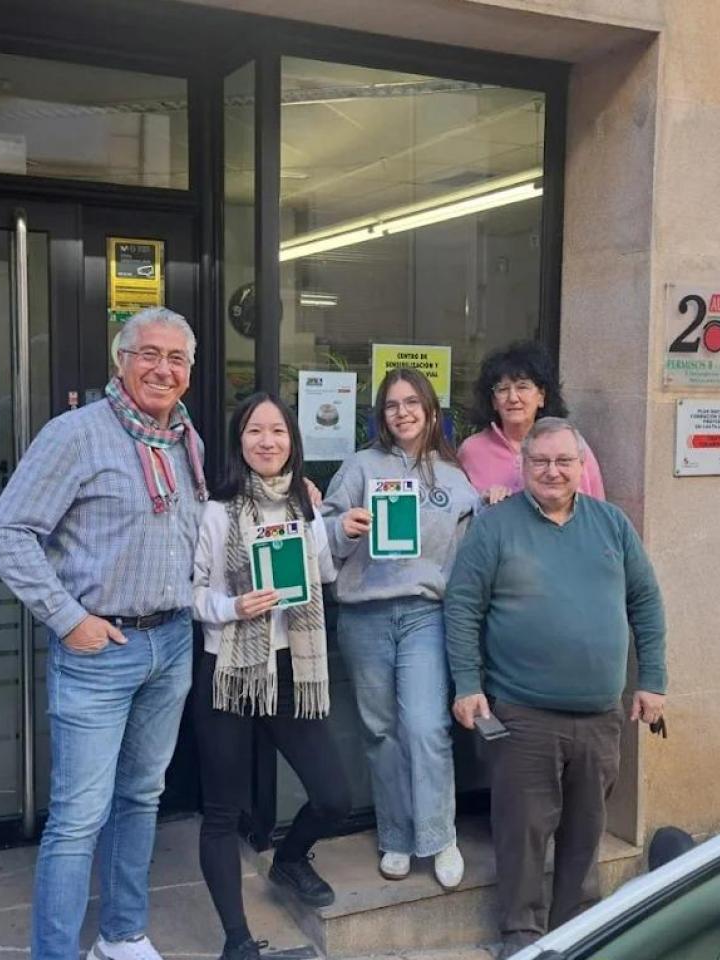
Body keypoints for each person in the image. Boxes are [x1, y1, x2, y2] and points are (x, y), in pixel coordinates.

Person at [0, 307, 206, 960]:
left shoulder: (186, 442)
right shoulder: (76, 435)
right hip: (98, 654)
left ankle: (122, 934)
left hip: (170, 644)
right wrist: (67, 617)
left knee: (141, 798)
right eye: (149, 354)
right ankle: (54, 953)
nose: (162, 369)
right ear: (121, 360)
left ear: (189, 375)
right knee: (79, 819)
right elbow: (7, 530)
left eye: (176, 359)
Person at [443, 417, 666, 960]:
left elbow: (647, 603)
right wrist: (468, 684)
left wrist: (653, 681)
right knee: (522, 830)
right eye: (540, 461)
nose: (552, 471)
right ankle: (521, 936)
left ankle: (576, 929)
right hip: (522, 713)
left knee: (586, 830)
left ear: (581, 466)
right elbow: (463, 607)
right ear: (523, 467)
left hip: (600, 713)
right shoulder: (494, 527)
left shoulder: (612, 525)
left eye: (564, 461)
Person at [190, 392, 351, 960]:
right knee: (222, 812)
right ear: (239, 442)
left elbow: (325, 573)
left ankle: (287, 859)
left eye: (278, 431)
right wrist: (235, 607)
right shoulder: (215, 511)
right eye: (255, 431)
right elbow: (192, 594)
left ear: (293, 442)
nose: (267, 441)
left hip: (289, 672)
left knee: (334, 796)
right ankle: (237, 939)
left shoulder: (306, 508)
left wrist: (326, 521)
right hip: (229, 672)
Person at [322, 367, 481, 888]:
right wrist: (343, 527)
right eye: (392, 405)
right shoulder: (360, 466)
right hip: (364, 614)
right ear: (381, 415)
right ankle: (395, 836)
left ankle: (439, 835)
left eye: (412, 402)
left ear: (432, 410)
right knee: (381, 730)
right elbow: (321, 535)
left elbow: (471, 555)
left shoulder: (453, 477)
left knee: (425, 727)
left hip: (423, 616)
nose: (403, 412)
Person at [458, 341, 606, 504]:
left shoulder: (571, 446)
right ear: (493, 401)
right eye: (503, 389)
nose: (513, 398)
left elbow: (597, 511)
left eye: (522, 387)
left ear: (541, 396)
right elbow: (461, 515)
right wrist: (483, 502)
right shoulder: (472, 451)